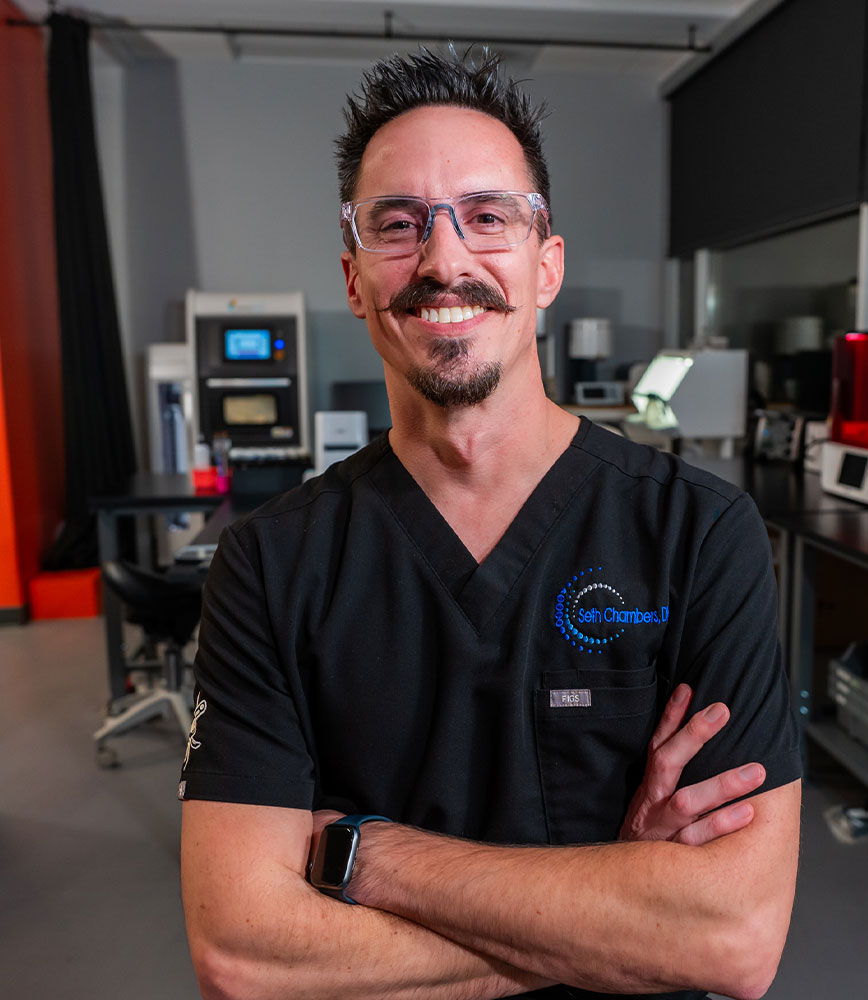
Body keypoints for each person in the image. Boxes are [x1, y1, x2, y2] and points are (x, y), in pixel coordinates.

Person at [179, 47, 801, 1000]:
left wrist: (373, 858)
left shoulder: (700, 535)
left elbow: (734, 939)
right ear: (354, 279)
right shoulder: (270, 566)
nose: (444, 261)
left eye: (488, 216)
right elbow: (243, 952)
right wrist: (618, 906)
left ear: (546, 266)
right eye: (398, 224)